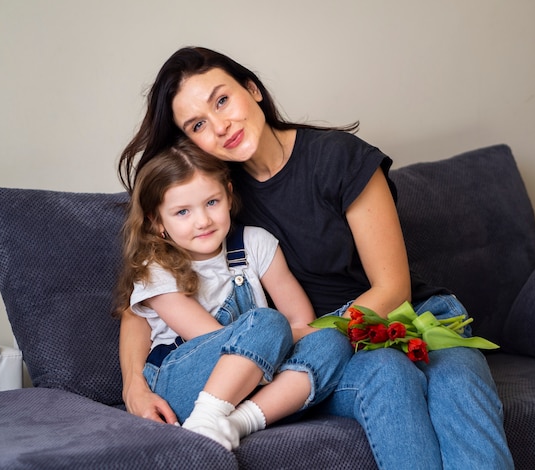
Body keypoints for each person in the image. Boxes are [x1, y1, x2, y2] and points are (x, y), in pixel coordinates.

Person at [117, 46, 514, 469]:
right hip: (333, 351)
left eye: (222, 100)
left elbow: (393, 288)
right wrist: (133, 386)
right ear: (191, 140)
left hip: (407, 317)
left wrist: (301, 337)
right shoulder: (211, 200)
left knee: (458, 386)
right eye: (198, 124)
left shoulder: (337, 158)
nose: (220, 125)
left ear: (252, 90)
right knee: (388, 375)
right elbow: (140, 302)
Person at [114, 140, 352, 451]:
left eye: (211, 202)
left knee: (332, 339)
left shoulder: (256, 243)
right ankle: (205, 418)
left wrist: (277, 337)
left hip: (251, 381)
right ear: (157, 222)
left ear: (228, 194)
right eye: (182, 212)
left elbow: (304, 322)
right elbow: (213, 338)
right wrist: (272, 335)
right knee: (267, 322)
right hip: (185, 379)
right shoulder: (155, 268)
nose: (203, 221)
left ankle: (233, 425)